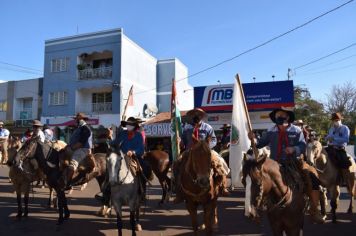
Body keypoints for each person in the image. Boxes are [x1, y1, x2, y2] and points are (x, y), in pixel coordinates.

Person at [248, 107, 325, 224]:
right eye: (277, 115)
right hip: (274, 164)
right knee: (257, 180)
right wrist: (253, 139)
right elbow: (259, 144)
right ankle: (256, 209)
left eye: (282, 115)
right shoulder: (270, 131)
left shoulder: (296, 130)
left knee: (313, 179)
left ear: (287, 117)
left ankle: (314, 210)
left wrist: (294, 148)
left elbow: (303, 145)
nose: (279, 117)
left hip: (293, 162)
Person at [174, 108, 230, 203]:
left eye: (198, 115)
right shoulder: (187, 128)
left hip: (205, 152)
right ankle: (179, 192)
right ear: (192, 117)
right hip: (189, 151)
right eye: (194, 115)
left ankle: (223, 186)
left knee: (220, 162)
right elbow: (183, 139)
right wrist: (180, 142)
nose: (196, 116)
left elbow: (214, 140)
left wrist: (207, 147)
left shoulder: (208, 127)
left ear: (201, 116)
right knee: (176, 163)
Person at [61, 112, 93, 190]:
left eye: (78, 119)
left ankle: (67, 184)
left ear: (82, 120)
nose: (77, 120)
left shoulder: (86, 128)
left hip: (83, 149)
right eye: (76, 119)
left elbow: (81, 143)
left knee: (72, 164)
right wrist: (68, 147)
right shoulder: (78, 128)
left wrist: (71, 148)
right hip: (75, 148)